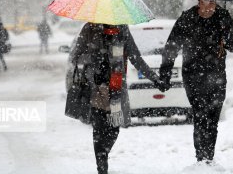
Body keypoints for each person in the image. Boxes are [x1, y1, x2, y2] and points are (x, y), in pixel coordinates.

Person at [67, 23, 165, 174]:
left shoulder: (122, 29)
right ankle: (102, 165)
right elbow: (75, 56)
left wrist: (155, 79)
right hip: (96, 89)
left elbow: (135, 57)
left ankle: (103, 154)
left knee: (114, 130)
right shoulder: (89, 28)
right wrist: (94, 57)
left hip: (116, 90)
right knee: (99, 129)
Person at [158, 0, 233, 163]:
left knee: (213, 119)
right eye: (206, 2)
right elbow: (171, 47)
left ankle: (208, 158)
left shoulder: (223, 17)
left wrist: (227, 33)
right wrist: (165, 74)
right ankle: (201, 158)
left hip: (217, 75)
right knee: (201, 115)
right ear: (199, 2)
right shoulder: (187, 18)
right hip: (193, 76)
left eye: (213, 3)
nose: (209, 7)